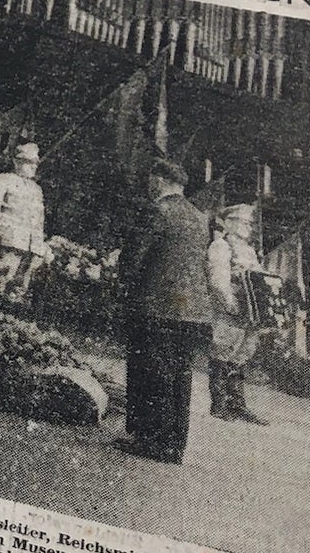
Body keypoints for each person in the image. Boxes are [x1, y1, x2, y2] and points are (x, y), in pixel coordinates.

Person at [114, 158, 214, 464]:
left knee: (150, 371)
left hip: (156, 306)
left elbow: (133, 258)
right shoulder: (199, 217)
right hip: (192, 311)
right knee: (180, 376)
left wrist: (122, 282)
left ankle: (148, 438)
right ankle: (173, 443)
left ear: (159, 180)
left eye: (151, 179)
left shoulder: (157, 210)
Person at [205, 203, 269, 424]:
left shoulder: (249, 251)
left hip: (249, 311)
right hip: (230, 309)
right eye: (244, 222)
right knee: (222, 352)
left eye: (250, 223)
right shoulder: (221, 246)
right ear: (229, 222)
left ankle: (237, 404)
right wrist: (228, 302)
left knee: (243, 354)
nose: (249, 227)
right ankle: (219, 404)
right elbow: (218, 280)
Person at [0, 142, 49, 304]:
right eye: (29, 162)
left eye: (36, 163)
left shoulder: (36, 189)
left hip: (28, 246)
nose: (34, 166)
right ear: (17, 162)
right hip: (7, 241)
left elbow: (38, 221)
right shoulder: (2, 180)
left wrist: (38, 249)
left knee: (18, 290)